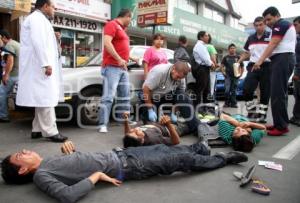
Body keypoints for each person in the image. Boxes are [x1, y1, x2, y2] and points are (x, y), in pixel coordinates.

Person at [1, 141, 248, 203]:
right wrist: (96, 176)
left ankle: (201, 151)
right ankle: (222, 159)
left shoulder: (47, 164)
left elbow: (76, 166)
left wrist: (70, 152)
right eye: (20, 155)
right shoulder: (41, 176)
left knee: (166, 148)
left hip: (123, 154)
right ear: (23, 170)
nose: (24, 150)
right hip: (128, 166)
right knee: (179, 160)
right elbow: (67, 196)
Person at [16, 0, 67, 142]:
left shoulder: (40, 20)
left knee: (41, 98)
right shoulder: (37, 19)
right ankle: (51, 131)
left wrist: (54, 36)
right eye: (53, 7)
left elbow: (43, 41)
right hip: (40, 66)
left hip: (39, 66)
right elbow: (38, 42)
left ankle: (36, 129)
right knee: (46, 99)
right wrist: (46, 64)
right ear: (45, 6)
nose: (54, 10)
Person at [253, 7, 296, 136]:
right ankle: (280, 123)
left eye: (269, 19)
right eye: (265, 20)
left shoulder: (281, 24)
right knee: (278, 93)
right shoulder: (279, 26)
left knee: (278, 93)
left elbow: (273, 44)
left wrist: (259, 61)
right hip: (281, 59)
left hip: (283, 58)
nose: (267, 23)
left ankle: (281, 126)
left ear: (277, 16)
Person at [98, 8, 137, 133]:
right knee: (108, 97)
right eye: (130, 18)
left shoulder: (123, 29)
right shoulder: (112, 25)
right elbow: (107, 43)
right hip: (111, 67)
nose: (130, 21)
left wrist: (131, 57)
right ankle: (103, 124)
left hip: (122, 67)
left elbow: (121, 48)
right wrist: (119, 59)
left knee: (124, 96)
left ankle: (123, 119)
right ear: (127, 16)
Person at [141, 61, 198, 130]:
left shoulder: (181, 77)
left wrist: (174, 111)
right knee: (152, 126)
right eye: (177, 77)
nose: (178, 79)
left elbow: (181, 94)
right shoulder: (160, 72)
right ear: (173, 68)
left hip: (167, 95)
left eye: (180, 78)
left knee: (184, 97)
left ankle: (196, 127)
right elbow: (146, 89)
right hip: (151, 96)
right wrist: (150, 109)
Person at [238, 17, 271, 123]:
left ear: (265, 24)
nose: (258, 27)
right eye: (256, 25)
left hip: (267, 66)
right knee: (247, 89)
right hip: (253, 67)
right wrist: (239, 61)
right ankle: (252, 112)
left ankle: (262, 115)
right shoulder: (251, 38)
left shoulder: (270, 36)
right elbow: (246, 52)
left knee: (265, 92)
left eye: (260, 24)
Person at [0, 30, 19, 123]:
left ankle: (3, 115)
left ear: (3, 37)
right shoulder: (16, 43)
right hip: (19, 74)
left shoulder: (9, 45)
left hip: (13, 75)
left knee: (2, 93)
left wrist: (6, 75)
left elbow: (10, 61)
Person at [192, 31, 215, 104]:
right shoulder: (199, 46)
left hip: (205, 68)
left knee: (206, 89)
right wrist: (212, 64)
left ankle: (206, 106)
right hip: (202, 69)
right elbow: (205, 58)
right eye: (206, 36)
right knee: (200, 89)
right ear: (201, 37)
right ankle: (197, 107)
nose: (208, 37)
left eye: (208, 36)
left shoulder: (203, 45)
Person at [220, 44, 244, 108]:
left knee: (234, 90)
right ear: (228, 49)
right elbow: (221, 66)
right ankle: (226, 103)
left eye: (234, 48)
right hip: (228, 76)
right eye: (231, 48)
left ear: (235, 49)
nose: (232, 49)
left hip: (236, 76)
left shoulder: (238, 57)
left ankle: (233, 103)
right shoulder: (225, 57)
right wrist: (223, 73)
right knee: (227, 90)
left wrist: (241, 74)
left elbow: (242, 66)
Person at [290, 16, 300, 127]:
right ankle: (295, 116)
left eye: (296, 24)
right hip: (297, 69)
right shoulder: (297, 38)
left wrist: (297, 73)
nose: (294, 27)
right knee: (297, 95)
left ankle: (297, 117)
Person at [206, 34, 218, 101]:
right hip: (211, 70)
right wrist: (215, 65)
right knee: (211, 87)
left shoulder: (201, 46)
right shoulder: (210, 47)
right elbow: (213, 58)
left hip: (201, 70)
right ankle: (210, 100)